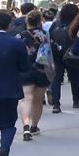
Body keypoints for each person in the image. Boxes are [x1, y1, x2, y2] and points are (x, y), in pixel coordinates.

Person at [0, 11, 30, 156]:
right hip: (9, 90)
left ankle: (2, 153)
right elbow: (25, 67)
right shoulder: (16, 43)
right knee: (8, 125)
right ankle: (4, 150)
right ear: (8, 25)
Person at [16, 10, 50, 141]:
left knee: (26, 99)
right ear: (40, 21)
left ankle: (25, 126)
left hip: (25, 70)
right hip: (42, 71)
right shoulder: (45, 35)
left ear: (27, 21)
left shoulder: (21, 36)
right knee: (38, 100)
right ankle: (34, 126)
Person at [48, 2, 79, 112]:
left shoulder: (56, 24)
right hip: (71, 54)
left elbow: (49, 37)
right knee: (74, 77)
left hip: (56, 53)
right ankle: (76, 100)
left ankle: (56, 104)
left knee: (56, 78)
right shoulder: (76, 25)